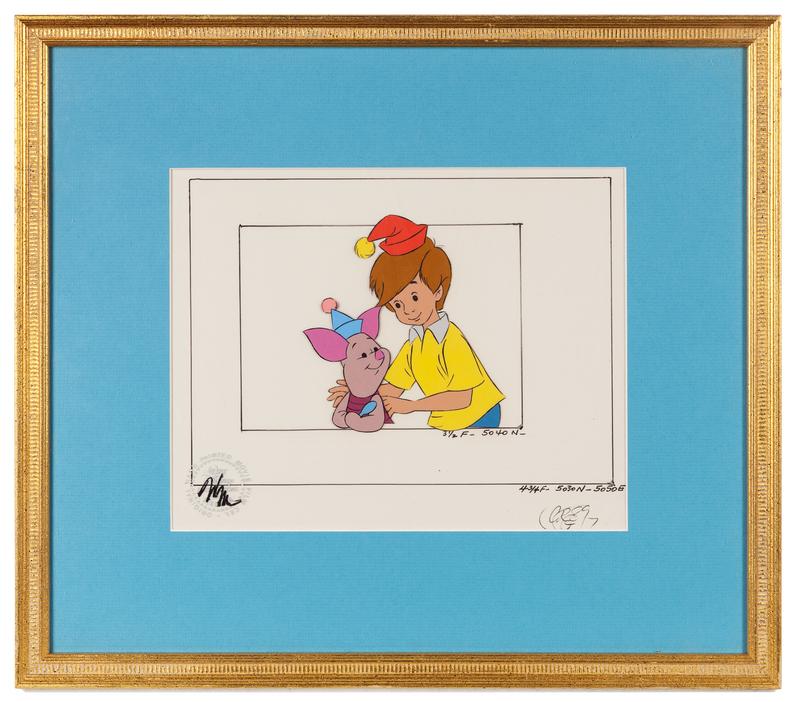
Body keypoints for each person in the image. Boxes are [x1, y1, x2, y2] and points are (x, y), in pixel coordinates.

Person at [329, 214, 503, 430]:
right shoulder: (414, 344)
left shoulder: (451, 339)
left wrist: (413, 406)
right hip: (450, 422)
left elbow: (463, 398)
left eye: (414, 297)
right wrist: (356, 394)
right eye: (397, 304)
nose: (408, 310)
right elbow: (395, 388)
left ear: (437, 291)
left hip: (481, 416)